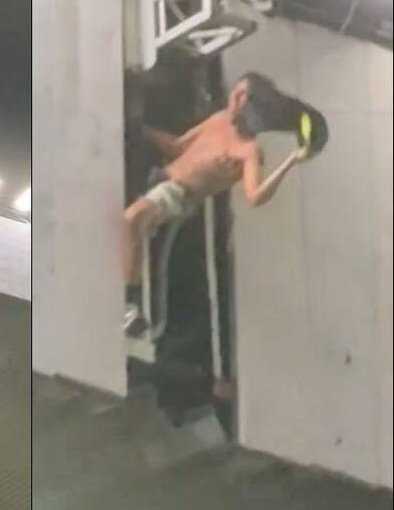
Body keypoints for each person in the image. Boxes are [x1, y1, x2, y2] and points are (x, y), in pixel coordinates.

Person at [122, 72, 326, 334]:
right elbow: (178, 146)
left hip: (179, 193)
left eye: (244, 96)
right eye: (236, 92)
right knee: (132, 231)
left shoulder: (248, 150)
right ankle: (135, 301)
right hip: (161, 176)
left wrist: (291, 161)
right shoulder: (218, 121)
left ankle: (133, 305)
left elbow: (255, 196)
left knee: (132, 219)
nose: (236, 99)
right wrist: (142, 128)